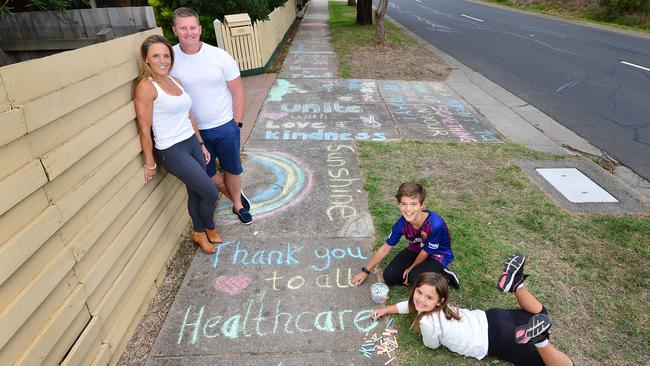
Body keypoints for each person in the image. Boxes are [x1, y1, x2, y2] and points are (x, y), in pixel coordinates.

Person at [372, 253, 574, 366]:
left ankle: (541, 341)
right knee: (540, 313)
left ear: (439, 301)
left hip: (496, 339)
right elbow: (410, 306)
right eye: (419, 293)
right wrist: (387, 309)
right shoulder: (443, 306)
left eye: (428, 297)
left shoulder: (426, 322)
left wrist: (417, 323)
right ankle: (518, 285)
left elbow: (431, 346)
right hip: (491, 318)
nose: (420, 300)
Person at [134, 34, 222, 254]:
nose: (163, 60)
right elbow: (144, 130)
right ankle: (200, 230)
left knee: (195, 192)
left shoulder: (176, 81)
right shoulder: (146, 87)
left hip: (191, 142)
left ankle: (206, 229)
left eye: (166, 55)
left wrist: (201, 144)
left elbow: (189, 114)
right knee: (210, 192)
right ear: (146, 59)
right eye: (156, 56)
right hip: (172, 150)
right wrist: (150, 163)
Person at [170, 7, 252, 225]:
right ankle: (235, 194)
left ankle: (238, 205)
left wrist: (237, 122)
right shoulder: (169, 58)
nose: (189, 32)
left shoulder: (219, 56)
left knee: (232, 168)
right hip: (192, 131)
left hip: (225, 125)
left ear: (200, 29)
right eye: (183, 28)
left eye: (192, 27)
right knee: (206, 174)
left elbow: (237, 90)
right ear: (175, 30)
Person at [352, 182, 460, 288]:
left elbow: (426, 251)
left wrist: (411, 268)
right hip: (417, 248)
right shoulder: (401, 223)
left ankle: (443, 273)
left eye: (413, 204)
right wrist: (365, 271)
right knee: (390, 276)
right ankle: (426, 270)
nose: (408, 209)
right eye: (404, 204)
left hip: (438, 253)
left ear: (422, 205)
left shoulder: (435, 224)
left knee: (413, 278)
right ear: (399, 204)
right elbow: (385, 248)